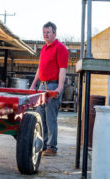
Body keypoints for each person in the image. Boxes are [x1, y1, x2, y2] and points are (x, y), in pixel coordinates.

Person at [30, 21, 69, 156]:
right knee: (40, 116)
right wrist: (34, 83)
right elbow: (40, 68)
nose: (45, 35)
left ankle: (52, 147)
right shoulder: (44, 49)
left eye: (48, 32)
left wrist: (59, 87)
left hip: (53, 86)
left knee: (50, 118)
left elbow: (63, 69)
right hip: (42, 86)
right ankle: (43, 144)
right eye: (44, 32)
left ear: (54, 33)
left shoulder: (60, 48)